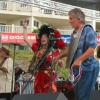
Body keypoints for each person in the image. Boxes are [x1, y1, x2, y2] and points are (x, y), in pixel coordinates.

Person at [56, 8, 99, 100]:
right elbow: (70, 49)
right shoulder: (74, 33)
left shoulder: (88, 30)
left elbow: (92, 48)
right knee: (78, 95)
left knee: (84, 95)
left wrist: (79, 59)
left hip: (89, 68)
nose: (69, 21)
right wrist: (59, 56)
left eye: (71, 18)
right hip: (78, 70)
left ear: (79, 19)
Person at [23, 20, 66, 94]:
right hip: (39, 77)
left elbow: (62, 64)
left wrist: (59, 62)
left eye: (45, 36)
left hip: (50, 78)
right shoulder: (37, 49)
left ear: (50, 38)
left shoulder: (54, 51)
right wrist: (25, 28)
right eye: (42, 36)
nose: (43, 38)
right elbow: (26, 39)